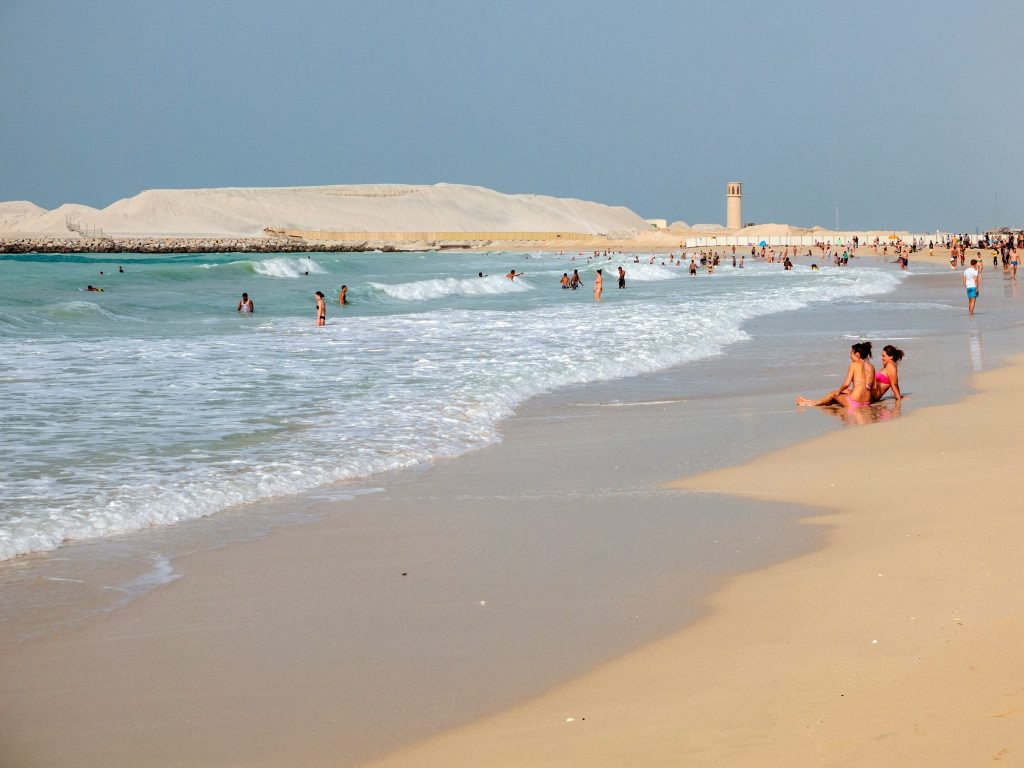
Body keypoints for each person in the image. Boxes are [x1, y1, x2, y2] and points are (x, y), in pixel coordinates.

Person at [796, 342, 875, 408]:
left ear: (857, 354)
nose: (850, 355)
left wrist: (838, 391)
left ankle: (812, 404)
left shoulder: (854, 365)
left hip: (854, 403)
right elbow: (873, 387)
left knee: (833, 394)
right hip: (867, 402)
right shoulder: (872, 367)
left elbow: (846, 384)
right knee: (844, 392)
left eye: (851, 353)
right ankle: (811, 401)